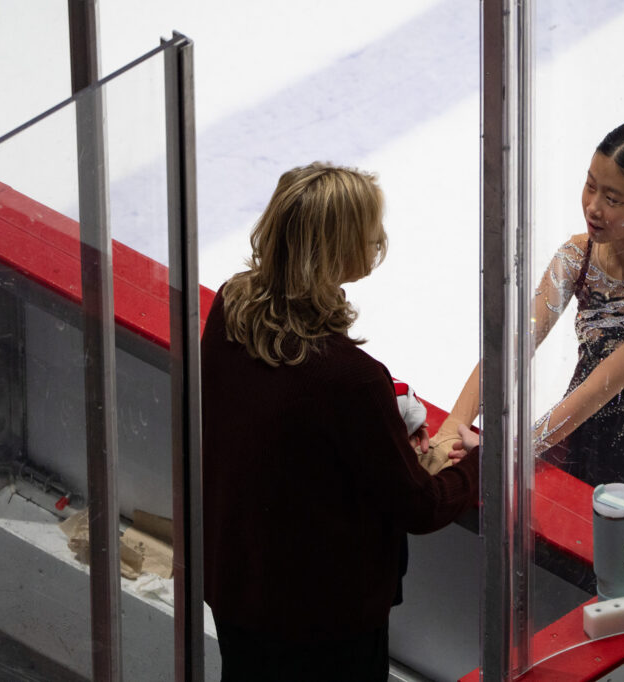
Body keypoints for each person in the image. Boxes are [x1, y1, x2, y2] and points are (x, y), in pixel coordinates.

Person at [201, 162, 480, 681]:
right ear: (337, 248)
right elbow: (417, 505)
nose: (379, 239)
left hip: (238, 586)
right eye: (370, 230)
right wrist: (480, 464)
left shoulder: (230, 306)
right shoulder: (351, 380)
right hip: (322, 623)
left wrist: (381, 436)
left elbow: (291, 441)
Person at [437, 120, 624, 539]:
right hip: (572, 446)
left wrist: (508, 454)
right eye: (590, 185)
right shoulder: (577, 256)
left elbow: (598, 389)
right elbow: (514, 348)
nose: (593, 206)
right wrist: (450, 427)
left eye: (613, 198)